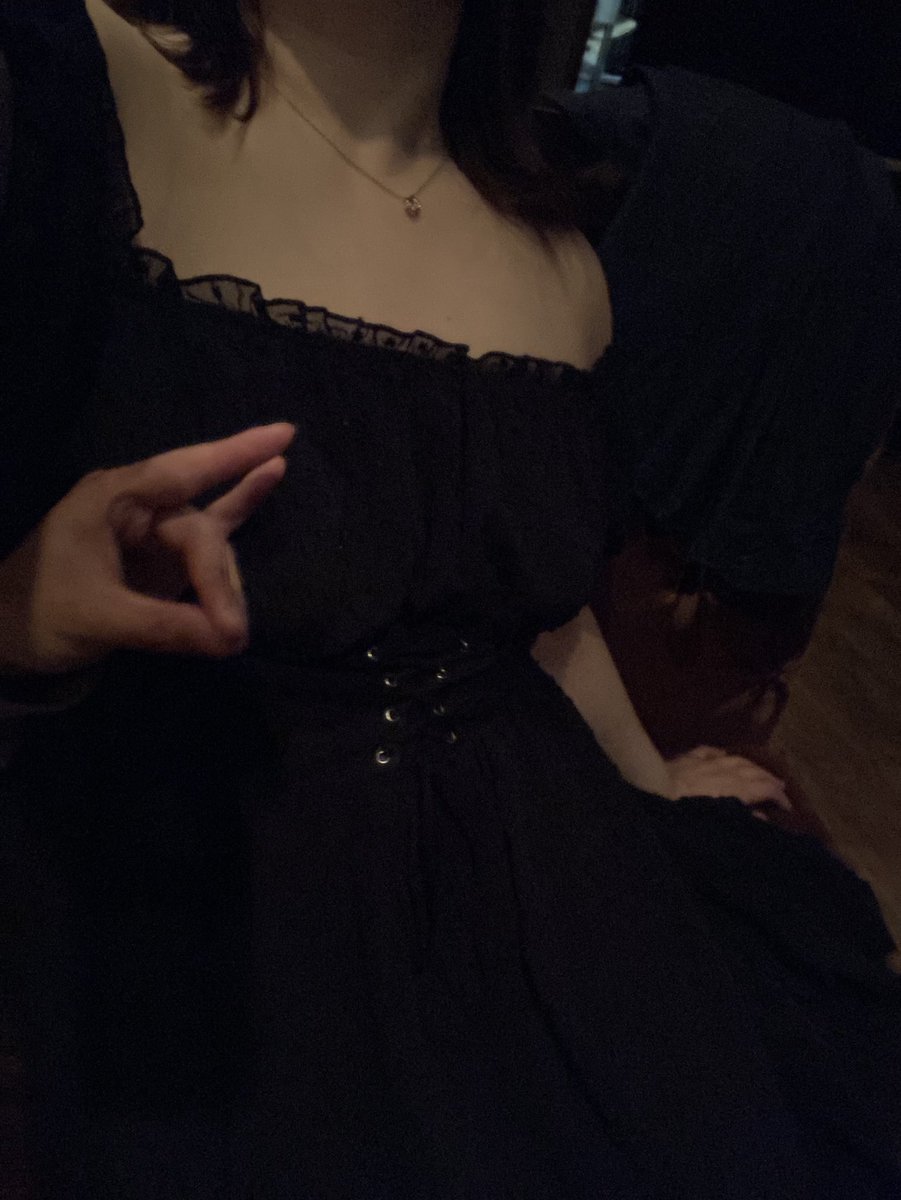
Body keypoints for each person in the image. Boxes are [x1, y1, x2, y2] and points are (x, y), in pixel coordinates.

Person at [0, 1, 899, 1196]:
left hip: (546, 868)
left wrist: (652, 788)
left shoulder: (566, 258)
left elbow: (533, 615)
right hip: (205, 913)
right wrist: (15, 616)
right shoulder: (61, 85)